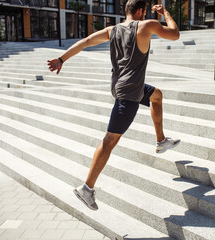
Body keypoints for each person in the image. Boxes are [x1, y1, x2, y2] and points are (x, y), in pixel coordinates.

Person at [47, 0, 180, 211]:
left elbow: (86, 42)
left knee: (156, 95)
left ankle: (161, 140)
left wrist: (62, 59)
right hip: (129, 94)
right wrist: (165, 13)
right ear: (139, 11)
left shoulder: (112, 30)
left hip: (123, 87)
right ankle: (87, 188)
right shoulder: (147, 25)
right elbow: (174, 33)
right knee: (109, 140)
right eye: (144, 12)